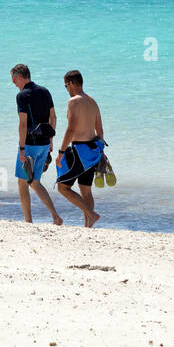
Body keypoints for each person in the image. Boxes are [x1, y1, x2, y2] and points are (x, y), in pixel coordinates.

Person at [10, 63, 62, 225]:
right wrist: (51, 141)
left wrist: (22, 149)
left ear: (19, 77)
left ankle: (29, 221)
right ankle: (55, 216)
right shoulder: (45, 91)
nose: (13, 83)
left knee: (23, 182)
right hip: (44, 144)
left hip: (30, 145)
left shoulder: (22, 96)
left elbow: (23, 124)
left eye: (14, 80)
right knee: (34, 181)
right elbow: (54, 118)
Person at [54, 70, 104, 228]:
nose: (67, 89)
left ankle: (91, 215)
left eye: (66, 86)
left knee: (63, 187)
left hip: (79, 151)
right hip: (93, 151)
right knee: (86, 190)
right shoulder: (92, 101)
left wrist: (61, 151)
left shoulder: (73, 101)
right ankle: (88, 226)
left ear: (72, 83)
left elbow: (71, 129)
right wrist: (101, 152)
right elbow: (100, 131)